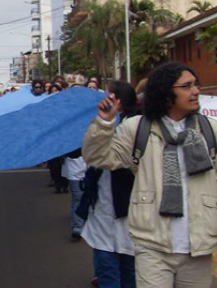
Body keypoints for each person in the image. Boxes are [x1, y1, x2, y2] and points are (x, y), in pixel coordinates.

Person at [83, 62, 217, 288]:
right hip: (152, 244)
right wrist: (103, 123)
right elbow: (98, 158)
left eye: (195, 85)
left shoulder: (211, 130)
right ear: (166, 92)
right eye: (187, 86)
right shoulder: (136, 128)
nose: (196, 91)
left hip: (198, 246)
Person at [79, 81, 137, 288]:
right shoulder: (103, 122)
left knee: (129, 267)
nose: (102, 99)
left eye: (107, 95)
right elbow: (91, 155)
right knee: (107, 266)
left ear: (118, 101)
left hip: (128, 208)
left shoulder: (135, 127)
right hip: (103, 206)